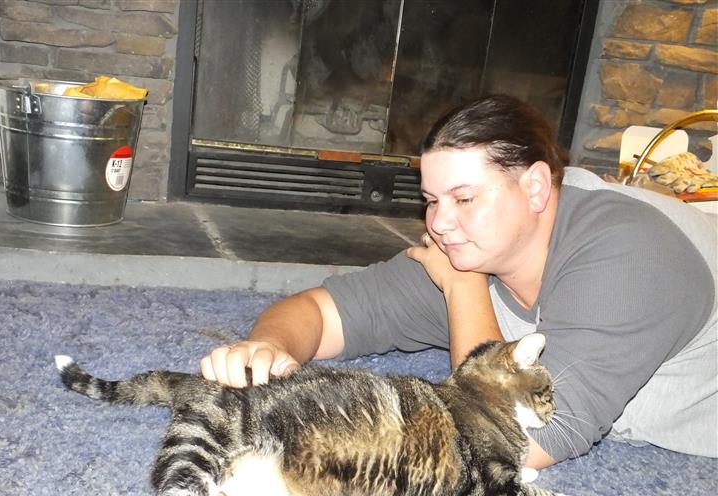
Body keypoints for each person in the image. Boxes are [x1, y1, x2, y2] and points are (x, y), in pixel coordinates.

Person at [200, 95, 717, 469]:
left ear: (536, 187)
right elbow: (320, 310)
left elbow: (516, 443)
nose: (440, 223)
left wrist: (463, 291)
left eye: (464, 198)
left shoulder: (628, 255)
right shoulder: (466, 250)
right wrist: (269, 347)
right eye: (431, 200)